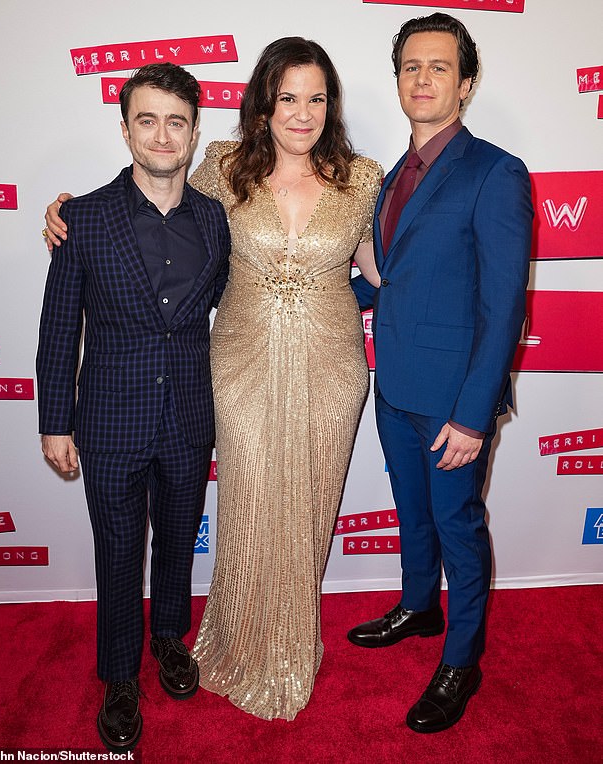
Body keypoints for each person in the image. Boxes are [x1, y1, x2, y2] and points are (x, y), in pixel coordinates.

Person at [44, 37, 382, 721]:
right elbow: (139, 216)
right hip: (233, 368)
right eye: (288, 96)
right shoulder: (221, 171)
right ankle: (151, 663)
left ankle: (245, 642)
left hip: (327, 367)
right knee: (237, 512)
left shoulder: (363, 179)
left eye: (316, 98)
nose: (302, 111)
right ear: (261, 103)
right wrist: (64, 213)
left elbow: (384, 266)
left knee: (291, 514)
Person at [36, 63, 230, 751]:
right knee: (118, 550)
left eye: (177, 120)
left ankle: (170, 639)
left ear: (194, 130)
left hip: (188, 415)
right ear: (125, 130)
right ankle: (120, 675)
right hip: (110, 419)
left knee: (178, 539)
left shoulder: (214, 218)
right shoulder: (81, 218)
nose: (162, 133)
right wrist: (54, 420)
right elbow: (60, 327)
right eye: (146, 119)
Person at [348, 13, 533, 733]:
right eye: (410, 67)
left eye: (438, 67)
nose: (422, 79)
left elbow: (503, 304)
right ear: (397, 80)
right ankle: (420, 606)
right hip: (393, 387)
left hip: (454, 397)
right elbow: (386, 278)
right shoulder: (391, 175)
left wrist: (473, 412)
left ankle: (463, 658)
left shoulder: (495, 171)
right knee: (413, 516)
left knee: (458, 524)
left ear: (465, 81)